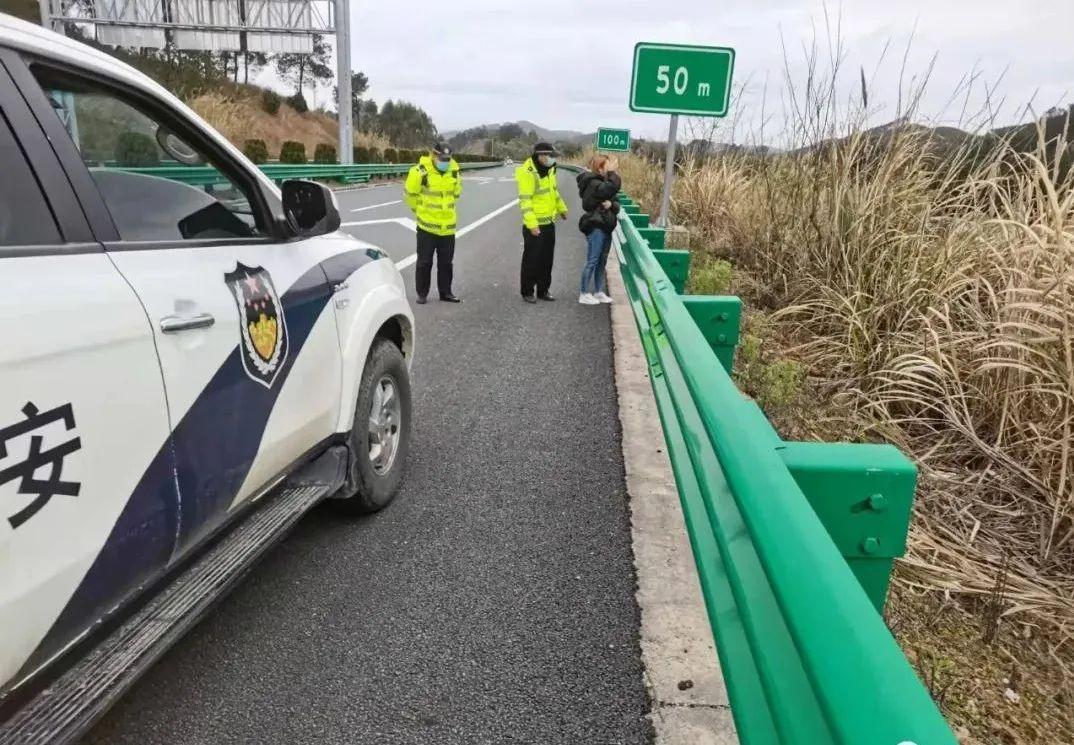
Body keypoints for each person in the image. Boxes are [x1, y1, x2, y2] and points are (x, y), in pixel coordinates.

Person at [404, 142, 462, 303]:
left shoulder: (454, 172)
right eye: (443, 158)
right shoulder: (419, 172)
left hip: (447, 227)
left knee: (446, 263)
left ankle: (446, 293)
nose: (446, 161)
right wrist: (420, 211)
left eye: (448, 159)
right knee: (424, 262)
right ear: (433, 155)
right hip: (426, 226)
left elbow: (456, 194)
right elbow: (410, 195)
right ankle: (422, 294)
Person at [515, 142, 568, 303]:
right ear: (541, 156)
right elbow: (525, 201)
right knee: (532, 260)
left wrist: (561, 208)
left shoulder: (550, 170)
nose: (552, 159)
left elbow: (553, 192)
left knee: (546, 259)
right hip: (535, 225)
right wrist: (532, 224)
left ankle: (543, 290)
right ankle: (527, 291)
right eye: (549, 156)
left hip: (549, 222)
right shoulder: (528, 172)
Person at [576, 154, 621, 305]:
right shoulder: (592, 183)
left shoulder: (603, 183)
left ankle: (599, 291)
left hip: (606, 226)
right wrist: (613, 173)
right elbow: (609, 189)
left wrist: (611, 205)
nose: (609, 169)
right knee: (592, 260)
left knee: (602, 261)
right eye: (607, 166)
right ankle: (583, 293)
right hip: (596, 226)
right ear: (599, 167)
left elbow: (616, 202)